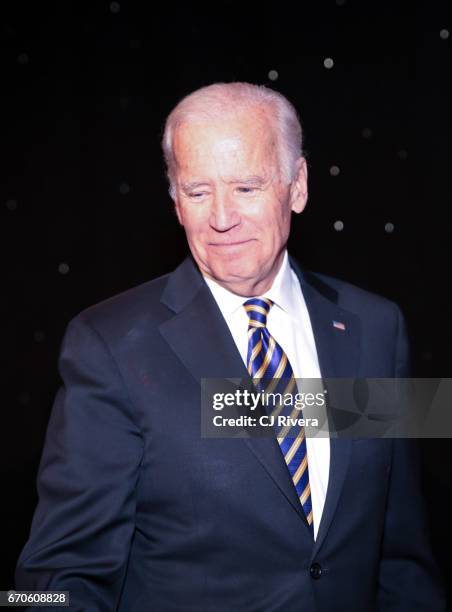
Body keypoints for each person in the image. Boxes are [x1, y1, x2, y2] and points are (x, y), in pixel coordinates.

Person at [16, 82, 445, 611]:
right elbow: (53, 581)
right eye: (198, 192)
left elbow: (402, 553)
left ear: (298, 185)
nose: (221, 218)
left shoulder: (376, 327)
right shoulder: (106, 344)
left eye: (246, 187)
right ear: (175, 202)